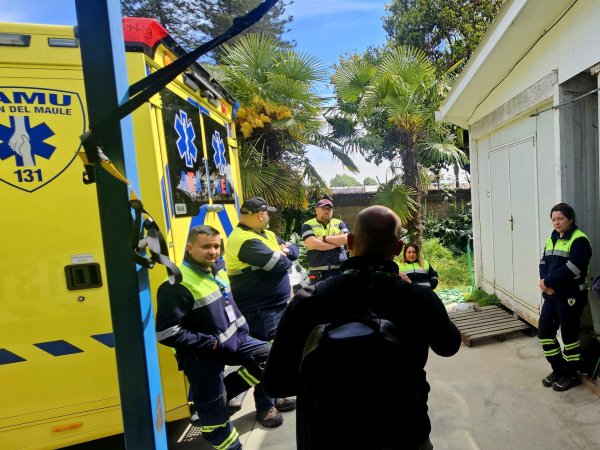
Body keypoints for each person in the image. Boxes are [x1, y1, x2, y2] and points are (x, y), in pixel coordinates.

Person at [263, 205, 462, 449]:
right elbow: (449, 346)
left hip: (328, 435)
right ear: (398, 248)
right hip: (404, 431)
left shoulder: (308, 302)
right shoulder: (418, 299)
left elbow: (276, 384)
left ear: (349, 242)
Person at [155, 225, 284, 450]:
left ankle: (222, 393)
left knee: (271, 356)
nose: (213, 251)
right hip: (202, 355)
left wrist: (240, 330)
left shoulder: (216, 269)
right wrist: (210, 343)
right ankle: (229, 442)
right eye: (206, 246)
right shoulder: (177, 284)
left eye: (216, 246)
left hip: (233, 342)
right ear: (189, 247)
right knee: (216, 420)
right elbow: (166, 332)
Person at [224, 196, 298, 412]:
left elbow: (294, 250)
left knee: (278, 354)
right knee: (265, 357)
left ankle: (277, 395)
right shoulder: (244, 240)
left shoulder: (266, 235)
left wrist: (285, 251)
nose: (269, 217)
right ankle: (265, 406)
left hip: (276, 305)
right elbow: (280, 264)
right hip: (260, 310)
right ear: (259, 214)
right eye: (267, 214)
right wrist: (283, 253)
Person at [539, 202, 592, 391]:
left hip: (571, 295)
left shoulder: (580, 240)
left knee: (569, 335)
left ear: (570, 219)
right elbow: (543, 262)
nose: (556, 222)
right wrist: (544, 281)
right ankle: (559, 369)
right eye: (553, 219)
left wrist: (548, 282)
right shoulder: (551, 238)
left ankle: (571, 374)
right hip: (552, 294)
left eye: (560, 218)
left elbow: (573, 268)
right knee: (545, 332)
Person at [301, 198, 349, 283]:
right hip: (318, 273)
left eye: (329, 209)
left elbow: (347, 239)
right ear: (316, 210)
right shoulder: (307, 225)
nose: (326, 211)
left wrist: (323, 238)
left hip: (339, 270)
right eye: (323, 208)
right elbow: (313, 243)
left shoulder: (339, 223)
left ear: (332, 211)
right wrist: (337, 243)